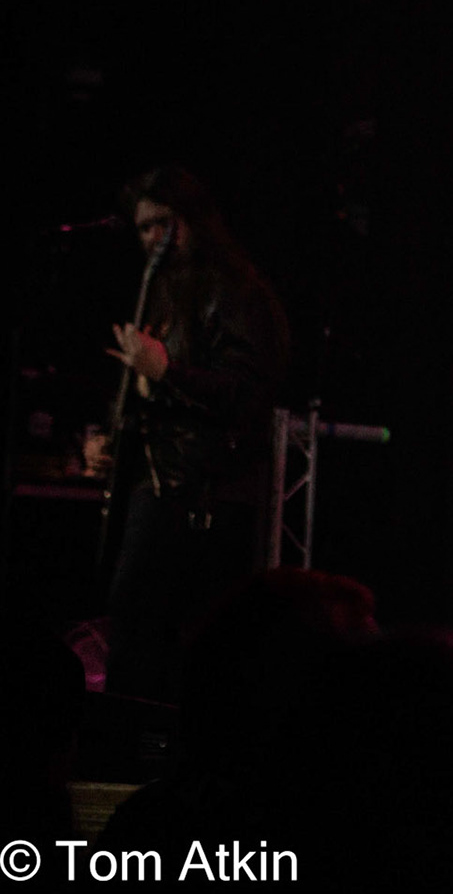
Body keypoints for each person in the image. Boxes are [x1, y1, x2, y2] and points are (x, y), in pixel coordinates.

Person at [87, 166, 291, 702]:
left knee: (160, 631)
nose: (153, 237)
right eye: (143, 227)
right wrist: (113, 439)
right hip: (158, 482)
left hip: (202, 489)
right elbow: (149, 386)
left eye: (164, 222)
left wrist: (166, 372)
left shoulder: (234, 290)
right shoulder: (161, 290)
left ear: (193, 220)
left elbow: (247, 391)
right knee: (134, 626)